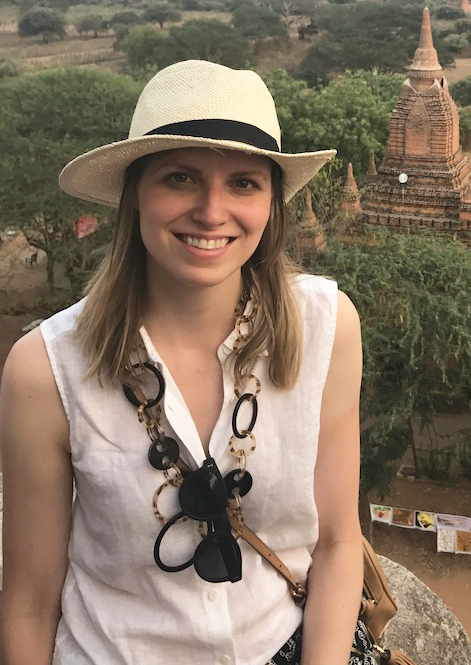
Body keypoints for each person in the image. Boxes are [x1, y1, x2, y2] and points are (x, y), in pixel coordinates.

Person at [0, 60, 369, 665]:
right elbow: (29, 602)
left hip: (279, 644)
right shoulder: (46, 371)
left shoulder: (325, 328)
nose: (212, 211)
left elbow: (335, 543)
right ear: (135, 194)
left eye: (245, 183)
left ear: (272, 203)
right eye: (180, 178)